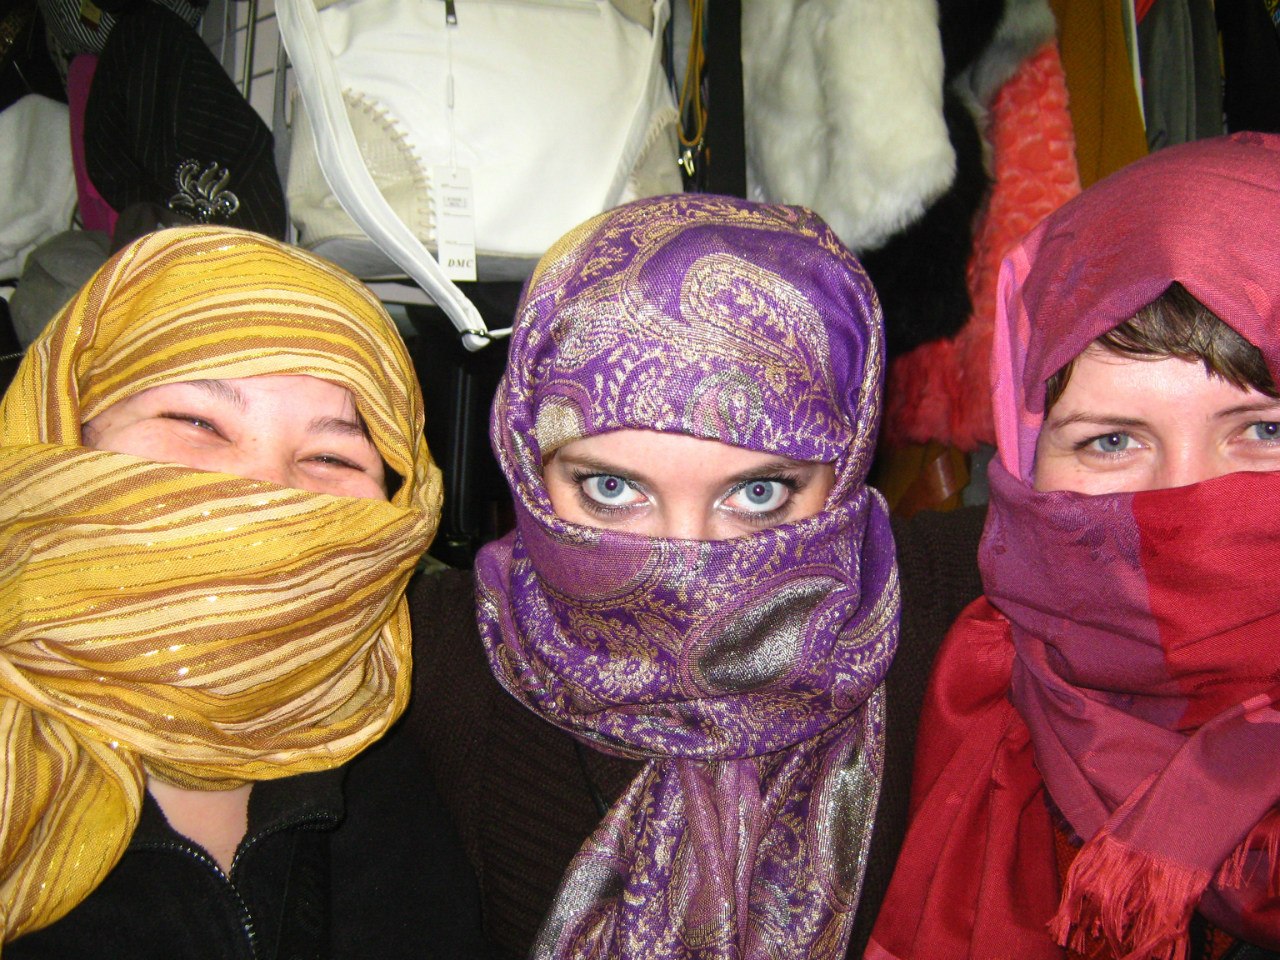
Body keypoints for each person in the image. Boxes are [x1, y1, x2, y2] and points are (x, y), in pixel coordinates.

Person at [0, 226, 483, 957]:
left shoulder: (389, 761)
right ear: (64, 435)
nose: (262, 489)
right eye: (195, 421)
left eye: (330, 456)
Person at [867, 132, 1280, 960]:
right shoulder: (908, 664)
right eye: (1110, 441)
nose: (1179, 501)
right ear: (1025, 460)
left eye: (1264, 430)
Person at [466, 194, 899, 959]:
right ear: (526, 465)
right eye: (610, 489)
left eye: (758, 494)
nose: (685, 563)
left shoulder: (959, 641)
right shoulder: (429, 677)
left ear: (850, 467)